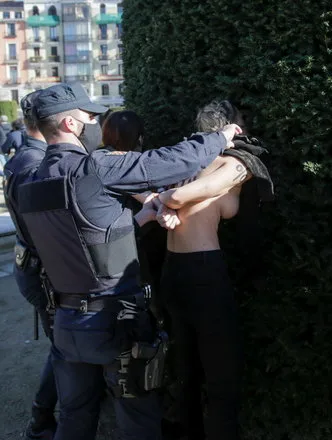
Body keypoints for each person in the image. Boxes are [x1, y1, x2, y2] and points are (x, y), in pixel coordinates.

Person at [17, 83, 240, 440]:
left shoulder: (28, 183)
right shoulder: (93, 169)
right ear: (71, 125)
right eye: (90, 117)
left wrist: (143, 217)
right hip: (116, 323)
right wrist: (221, 138)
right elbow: (170, 163)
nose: (95, 124)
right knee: (138, 422)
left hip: (67, 322)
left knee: (75, 418)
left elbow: (84, 236)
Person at [156, 100, 273, 440]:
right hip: (203, 272)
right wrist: (169, 200)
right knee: (223, 378)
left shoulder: (183, 156)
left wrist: (158, 201)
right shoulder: (234, 163)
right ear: (232, 129)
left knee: (187, 372)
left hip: (172, 269)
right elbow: (188, 196)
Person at [2, 91, 59, 440]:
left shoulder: (26, 157)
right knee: (64, 348)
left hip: (32, 265)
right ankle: (41, 419)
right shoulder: (34, 164)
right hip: (40, 270)